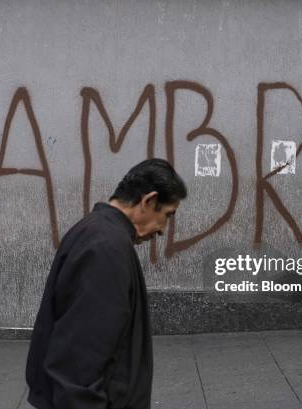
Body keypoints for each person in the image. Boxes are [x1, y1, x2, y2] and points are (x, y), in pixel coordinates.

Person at [25, 158, 187, 409]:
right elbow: (80, 359)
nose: (163, 229)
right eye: (167, 215)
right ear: (148, 201)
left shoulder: (99, 233)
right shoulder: (105, 247)